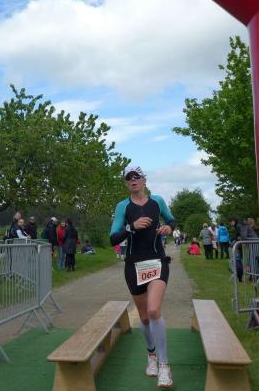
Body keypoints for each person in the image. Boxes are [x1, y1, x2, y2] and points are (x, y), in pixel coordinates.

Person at [109, 166, 175, 388]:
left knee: (154, 310)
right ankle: (151, 355)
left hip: (157, 261)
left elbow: (172, 221)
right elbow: (113, 238)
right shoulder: (123, 206)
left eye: (136, 177)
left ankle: (164, 366)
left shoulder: (157, 201)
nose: (133, 180)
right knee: (145, 318)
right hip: (134, 265)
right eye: (128, 178)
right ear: (126, 183)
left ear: (144, 180)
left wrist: (168, 228)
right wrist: (132, 227)